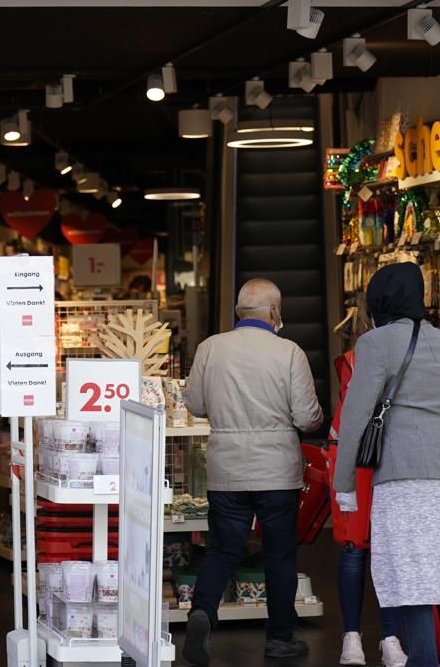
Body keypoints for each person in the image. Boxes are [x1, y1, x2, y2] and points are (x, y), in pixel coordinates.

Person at [332, 262, 440, 667]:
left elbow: (354, 418)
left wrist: (343, 485)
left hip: (407, 477)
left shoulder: (376, 343)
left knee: (411, 579)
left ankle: (424, 661)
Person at [181, 278, 324, 665]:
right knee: (279, 556)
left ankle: (202, 612)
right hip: (277, 471)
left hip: (226, 467)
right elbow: (307, 418)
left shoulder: (210, 348)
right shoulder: (289, 352)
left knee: (222, 549)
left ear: (239, 311)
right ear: (275, 312)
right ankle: (279, 639)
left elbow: (193, 403)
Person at [326, 349, 405, 667]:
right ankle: (384, 638)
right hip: (386, 450)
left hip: (352, 449)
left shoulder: (352, 358)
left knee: (355, 547)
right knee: (382, 548)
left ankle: (356, 638)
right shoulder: (411, 351)